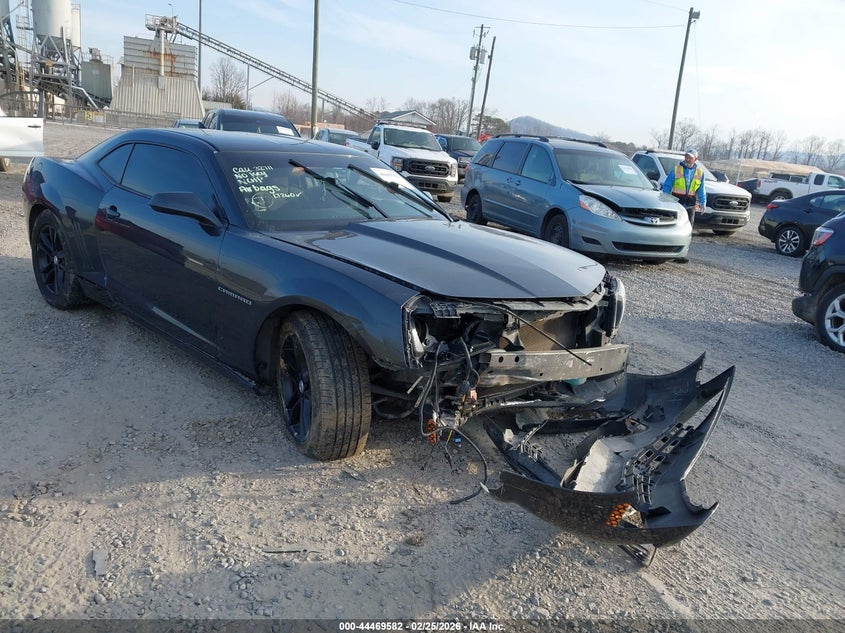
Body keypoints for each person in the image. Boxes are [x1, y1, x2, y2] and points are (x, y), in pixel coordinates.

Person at [662, 148, 706, 263]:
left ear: (695, 159)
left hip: (690, 205)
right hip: (676, 204)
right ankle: (666, 251)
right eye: (686, 156)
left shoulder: (700, 173)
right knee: (673, 228)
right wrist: (665, 200)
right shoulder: (677, 169)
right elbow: (667, 186)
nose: (687, 159)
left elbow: (701, 190)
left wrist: (703, 203)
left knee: (687, 229)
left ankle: (681, 254)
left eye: (690, 157)